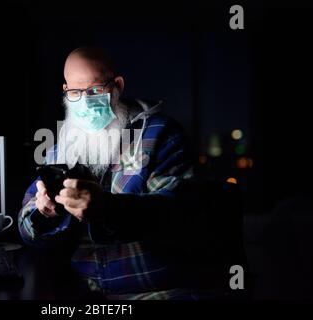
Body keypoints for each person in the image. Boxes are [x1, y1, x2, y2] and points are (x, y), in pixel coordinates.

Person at [18, 46, 221, 300]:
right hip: (81, 291)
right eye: (75, 92)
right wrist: (44, 212)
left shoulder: (160, 135)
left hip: (155, 290)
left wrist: (107, 209)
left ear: (117, 85)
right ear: (65, 91)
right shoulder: (64, 147)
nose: (85, 100)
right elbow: (25, 226)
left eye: (95, 90)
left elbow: (179, 213)